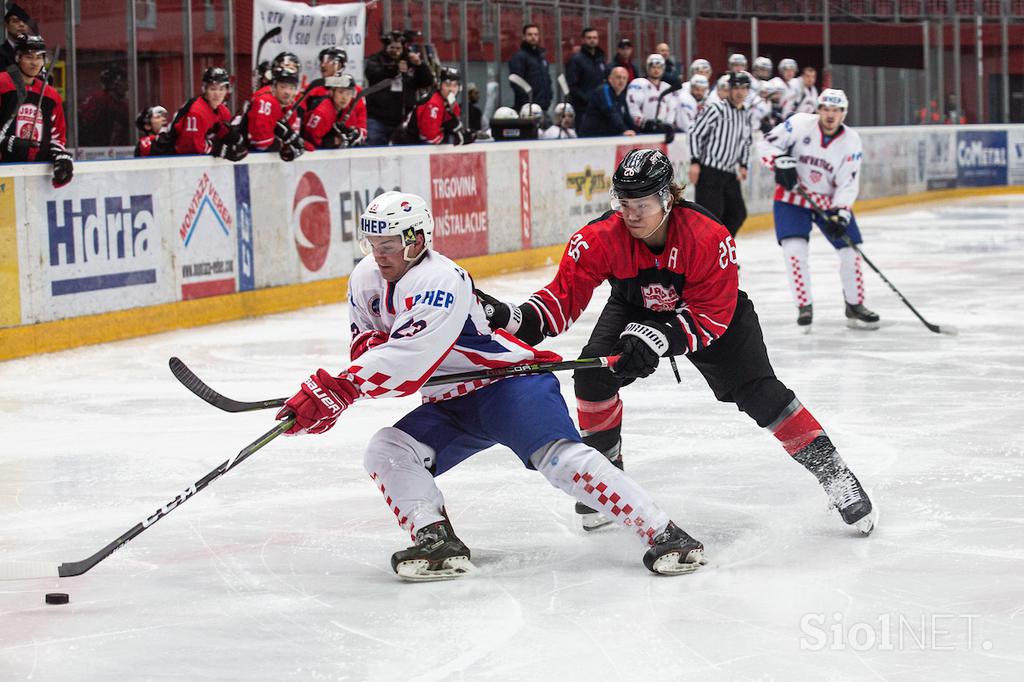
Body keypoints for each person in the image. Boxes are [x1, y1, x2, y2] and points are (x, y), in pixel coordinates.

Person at [274, 190, 708, 580]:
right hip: (450, 399)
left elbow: (407, 362)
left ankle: (666, 534)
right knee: (388, 449)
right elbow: (365, 342)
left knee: (560, 462)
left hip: (507, 385)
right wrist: (352, 371)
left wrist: (339, 390)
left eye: (388, 246)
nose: (378, 255)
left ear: (416, 241)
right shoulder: (365, 278)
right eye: (372, 245)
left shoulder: (440, 280)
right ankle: (437, 539)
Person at [475, 149, 876, 537]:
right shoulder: (599, 238)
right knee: (592, 377)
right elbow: (561, 301)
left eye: (642, 203)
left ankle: (836, 474)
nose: (630, 214)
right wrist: (514, 318)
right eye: (623, 202)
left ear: (668, 198)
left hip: (709, 312)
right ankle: (607, 474)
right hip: (634, 305)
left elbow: (713, 315)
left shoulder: (707, 236)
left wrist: (659, 338)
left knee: (760, 393)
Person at [758, 89, 880, 331]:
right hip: (792, 198)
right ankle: (804, 306)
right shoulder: (799, 123)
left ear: (844, 113)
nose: (830, 115)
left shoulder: (851, 141)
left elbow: (848, 182)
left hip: (827, 201)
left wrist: (841, 212)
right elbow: (766, 144)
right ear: (818, 109)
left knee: (851, 252)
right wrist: (778, 162)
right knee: (794, 251)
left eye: (836, 110)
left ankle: (854, 304)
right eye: (826, 109)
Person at [0, 34, 72, 188]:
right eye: (29, 57)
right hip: (4, 172)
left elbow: (57, 137)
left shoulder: (51, 95)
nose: (34, 63)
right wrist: (7, 143)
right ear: (18, 57)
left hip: (36, 173)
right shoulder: (2, 84)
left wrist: (60, 157)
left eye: (39, 57)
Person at [688, 70, 752, 237]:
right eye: (736, 87)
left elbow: (745, 140)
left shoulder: (745, 114)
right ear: (729, 89)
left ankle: (721, 253)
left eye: (744, 88)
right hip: (710, 171)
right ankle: (709, 259)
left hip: (730, 173)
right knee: (710, 219)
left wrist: (743, 164)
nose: (740, 92)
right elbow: (695, 133)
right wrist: (695, 161)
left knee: (738, 214)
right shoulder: (716, 109)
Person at [364, 31, 434, 146]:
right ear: (386, 47)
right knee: (374, 148)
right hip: (378, 119)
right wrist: (395, 69)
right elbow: (374, 75)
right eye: (392, 47)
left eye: (398, 48)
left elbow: (426, 82)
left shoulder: (410, 62)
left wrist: (419, 64)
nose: (395, 51)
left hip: (404, 119)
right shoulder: (376, 60)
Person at [163, 66, 234, 158]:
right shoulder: (197, 111)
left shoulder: (224, 111)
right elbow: (191, 147)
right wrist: (218, 149)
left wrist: (235, 141)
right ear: (205, 89)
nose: (217, 94)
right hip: (168, 154)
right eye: (213, 89)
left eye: (221, 89)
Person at [247, 65, 305, 160]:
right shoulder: (266, 101)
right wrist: (282, 144)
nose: (287, 92)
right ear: (274, 87)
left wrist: (290, 145)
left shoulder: (290, 109)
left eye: (291, 88)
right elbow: (261, 142)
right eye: (283, 87)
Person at [301, 74, 366, 149]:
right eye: (341, 92)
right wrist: (333, 141)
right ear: (332, 92)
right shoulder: (322, 112)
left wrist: (354, 134)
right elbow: (310, 141)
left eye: (349, 93)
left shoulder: (347, 111)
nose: (344, 98)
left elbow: (351, 140)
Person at [577, 66, 638, 138]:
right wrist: (624, 130)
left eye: (624, 78)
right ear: (610, 79)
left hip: (607, 136)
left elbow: (627, 117)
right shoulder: (604, 90)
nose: (621, 81)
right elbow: (610, 111)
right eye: (618, 77)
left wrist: (637, 132)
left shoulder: (622, 96)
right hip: (591, 137)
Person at [415, 66, 469, 145]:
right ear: (440, 85)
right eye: (447, 85)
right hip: (409, 145)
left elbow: (453, 127)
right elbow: (431, 137)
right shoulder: (433, 103)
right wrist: (453, 139)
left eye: (455, 85)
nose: (451, 89)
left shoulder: (453, 104)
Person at [564, 27, 607, 126]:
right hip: (583, 109)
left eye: (595, 37)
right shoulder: (576, 60)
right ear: (583, 40)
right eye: (589, 38)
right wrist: (586, 99)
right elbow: (572, 85)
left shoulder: (601, 59)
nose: (592, 40)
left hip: (600, 107)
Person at [508, 24, 552, 114]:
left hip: (543, 106)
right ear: (524, 36)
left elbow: (547, 80)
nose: (533, 37)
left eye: (536, 34)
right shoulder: (519, 57)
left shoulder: (541, 57)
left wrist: (549, 97)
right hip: (527, 108)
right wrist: (527, 102)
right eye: (530, 34)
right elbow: (516, 82)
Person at [626, 54, 675, 133]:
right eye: (653, 67)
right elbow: (632, 107)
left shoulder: (668, 88)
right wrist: (643, 123)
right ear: (648, 68)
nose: (656, 70)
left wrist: (668, 125)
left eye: (659, 67)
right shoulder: (638, 84)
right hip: (642, 130)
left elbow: (672, 109)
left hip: (662, 130)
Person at [0, 3, 31, 70]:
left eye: (25, 21)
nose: (21, 24)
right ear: (6, 25)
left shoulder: (36, 52)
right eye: (16, 21)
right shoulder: (1, 54)